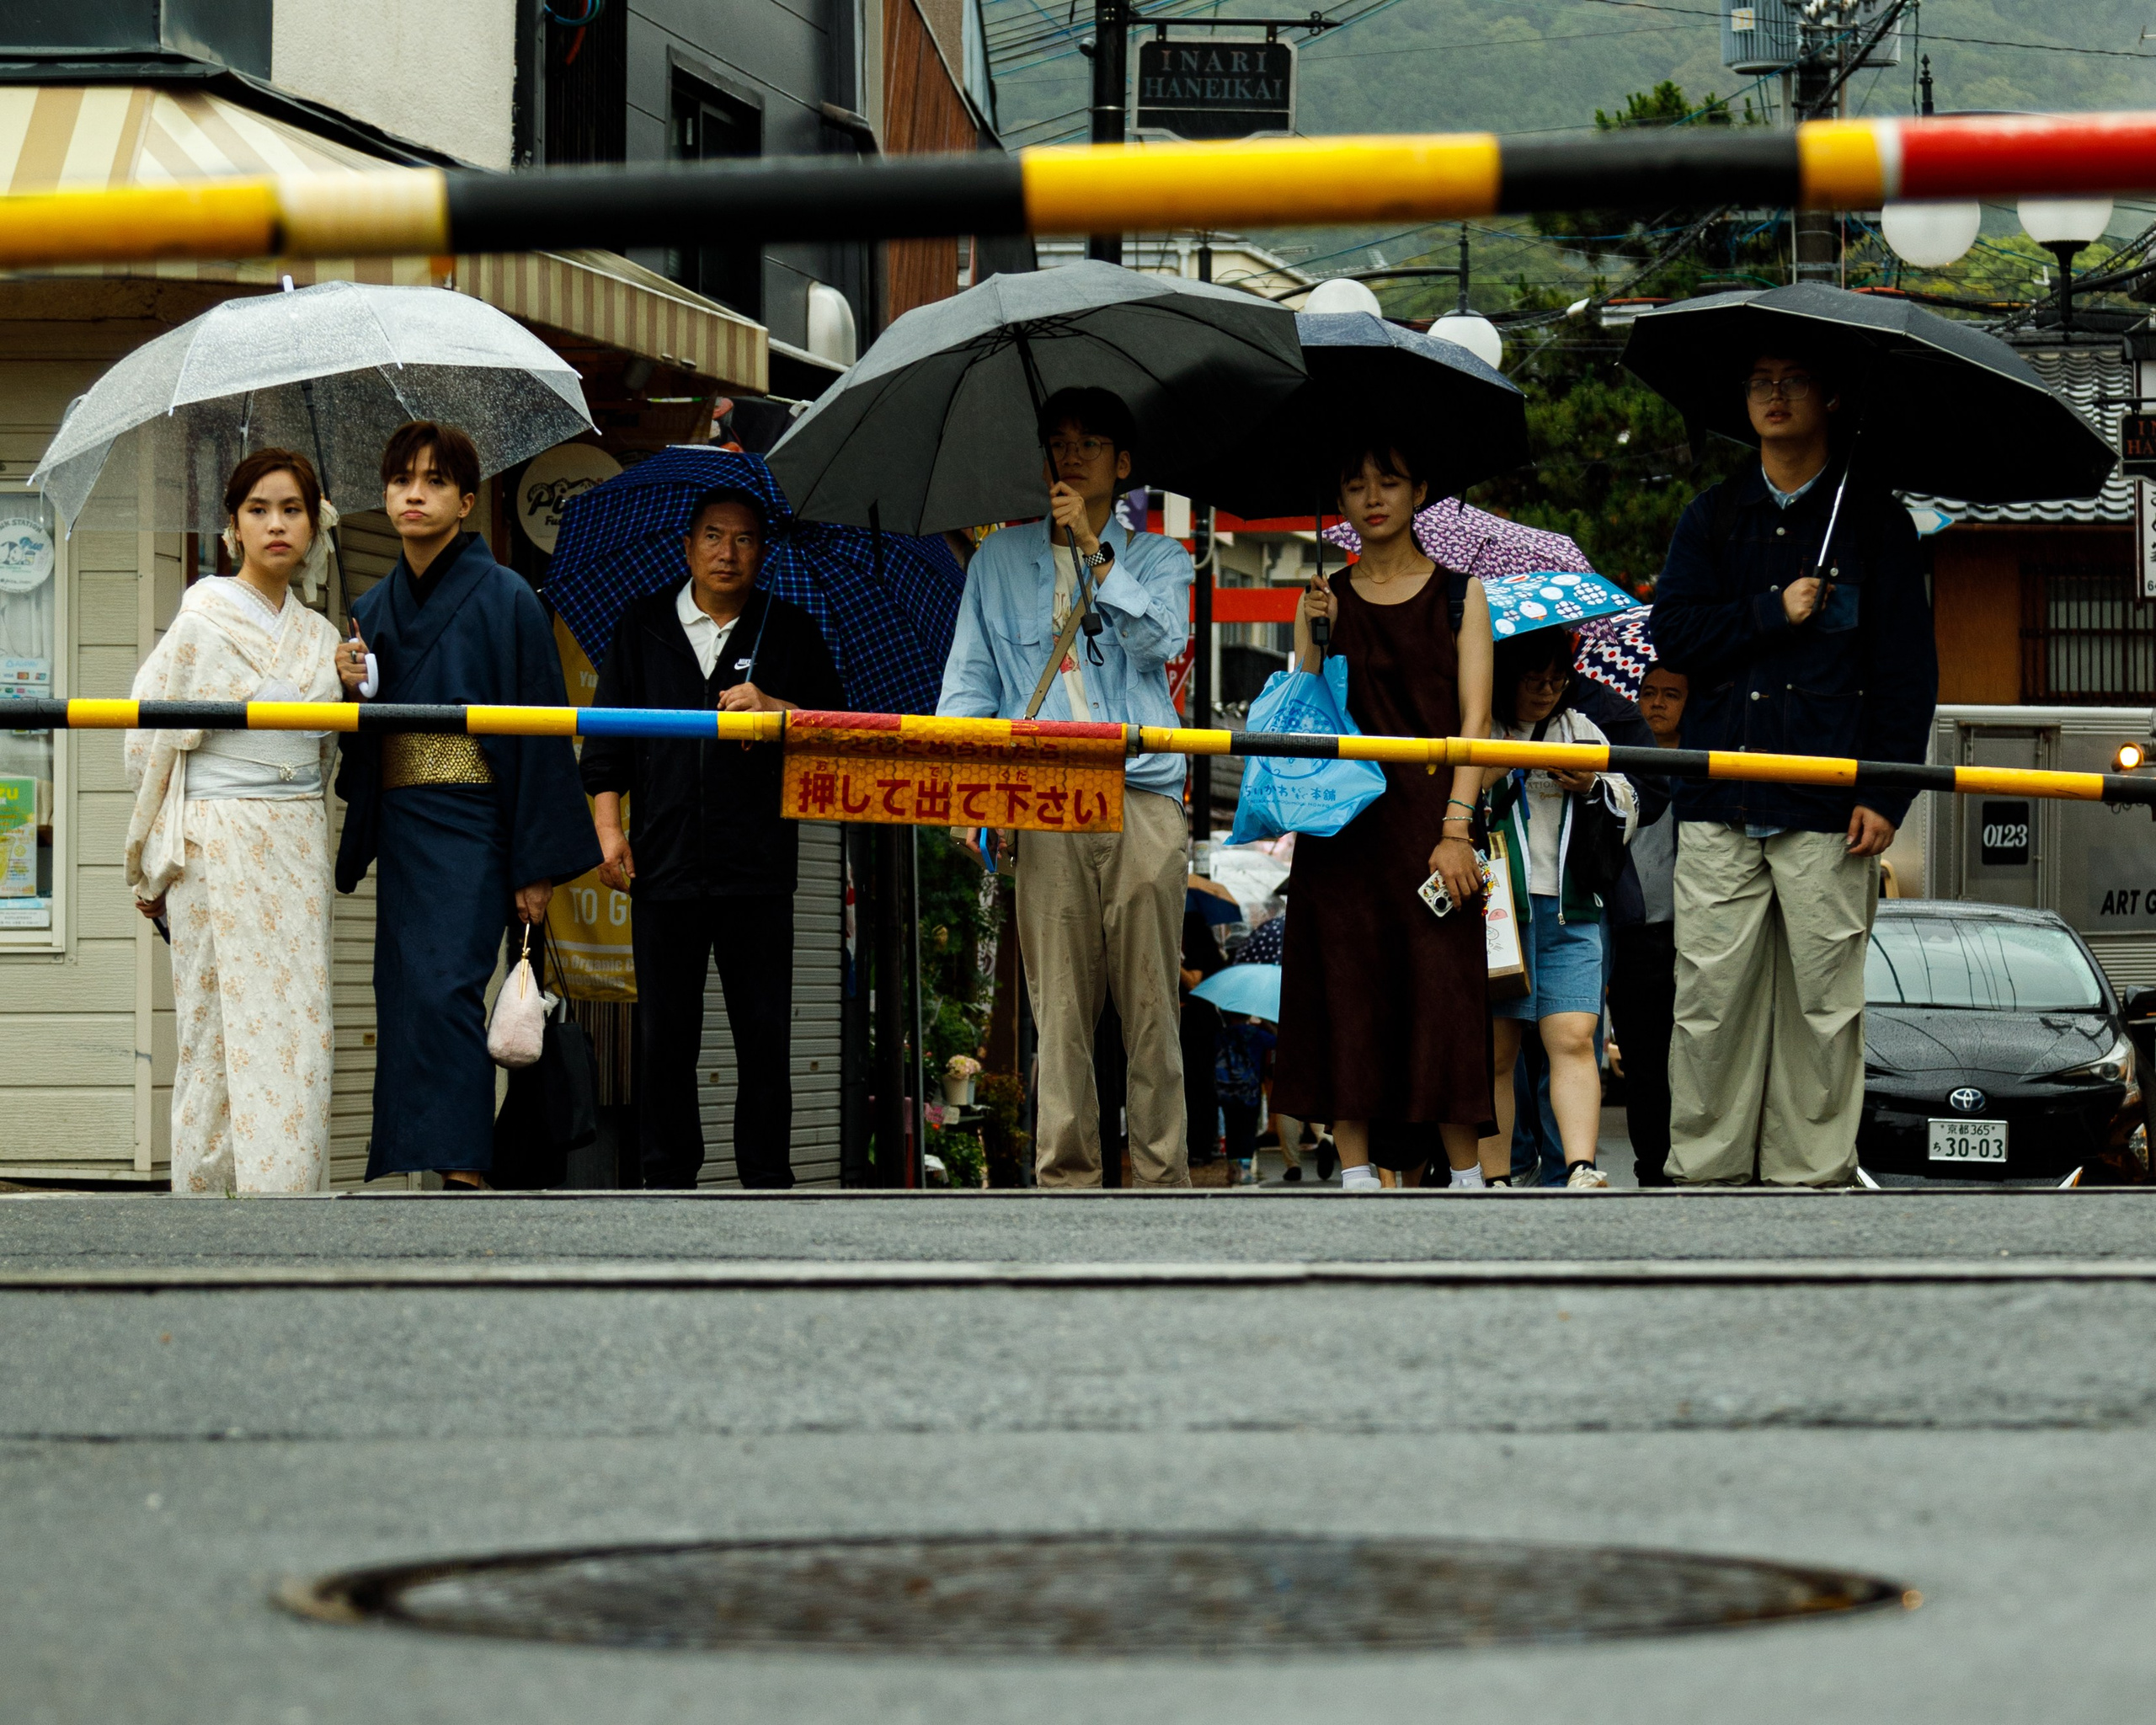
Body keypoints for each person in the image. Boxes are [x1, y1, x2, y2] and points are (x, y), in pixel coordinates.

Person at [1650, 352, 1936, 1187]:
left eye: (1793, 379)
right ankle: (1704, 1173)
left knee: (1823, 1007)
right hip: (1720, 795)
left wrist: (1885, 793)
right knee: (1708, 1003)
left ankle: (1809, 1178)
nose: (1773, 394)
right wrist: (1772, 610)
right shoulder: (1711, 517)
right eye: (1756, 380)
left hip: (1829, 806)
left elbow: (1907, 679)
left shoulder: (1877, 527)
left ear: (1832, 396)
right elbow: (1673, 635)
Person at [937, 387, 1194, 1188]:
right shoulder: (996, 561)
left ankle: (1161, 1179)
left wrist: (1093, 548)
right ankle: (1067, 1183)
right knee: (1060, 1014)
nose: (1071, 455)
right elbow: (969, 686)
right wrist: (965, 796)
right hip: (1045, 796)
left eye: (1090, 444)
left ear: (1122, 465)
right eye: (1058, 441)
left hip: (1142, 792)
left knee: (1153, 1007)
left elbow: (1162, 638)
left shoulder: (1161, 558)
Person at [334, 422, 600, 1188]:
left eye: (434, 482)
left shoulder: (509, 599)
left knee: (451, 986)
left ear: (465, 500)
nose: (414, 495)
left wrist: (534, 864)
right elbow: (363, 748)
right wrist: (346, 686)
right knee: (406, 991)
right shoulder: (372, 609)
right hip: (406, 819)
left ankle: (463, 1161)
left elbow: (541, 744)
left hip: (477, 822)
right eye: (400, 481)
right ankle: (422, 1154)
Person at [583, 486, 842, 1188]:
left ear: (764, 553)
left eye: (746, 540)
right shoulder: (641, 626)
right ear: (688, 545)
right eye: (714, 537)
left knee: (764, 1037)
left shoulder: (788, 631)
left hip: (757, 867)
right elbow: (603, 749)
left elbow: (839, 734)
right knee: (664, 1037)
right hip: (661, 865)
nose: (729, 553)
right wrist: (611, 835)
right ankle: (667, 1181)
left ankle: (766, 1179)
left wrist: (776, 707)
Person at [125, 450, 355, 1194]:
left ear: (313, 525)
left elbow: (324, 755)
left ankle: (286, 1197)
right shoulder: (202, 619)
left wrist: (350, 684)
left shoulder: (322, 637)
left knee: (299, 1020)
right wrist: (153, 850)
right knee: (214, 1026)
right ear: (233, 527)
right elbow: (147, 742)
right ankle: (208, 1200)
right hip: (216, 838)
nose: (276, 524)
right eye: (258, 509)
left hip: (293, 839)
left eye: (292, 509)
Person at [1273, 443, 1496, 1193]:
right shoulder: (1322, 594)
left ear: (1420, 490)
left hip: (1432, 831)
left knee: (1445, 995)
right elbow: (1298, 716)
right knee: (1344, 990)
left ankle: (1467, 1177)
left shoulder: (1463, 596)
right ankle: (1357, 1172)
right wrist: (1310, 632)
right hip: (1341, 835)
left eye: (1390, 481)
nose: (1372, 496)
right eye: (1355, 481)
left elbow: (1478, 724)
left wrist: (1457, 828)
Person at [1482, 629, 1636, 1190]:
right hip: (1499, 911)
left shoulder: (1579, 730)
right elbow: (1446, 799)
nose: (1547, 690)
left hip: (1573, 909)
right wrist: (1497, 770)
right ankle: (1495, 1174)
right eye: (1534, 679)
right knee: (1497, 1049)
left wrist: (1591, 782)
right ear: (1508, 676)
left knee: (1574, 1037)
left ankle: (1579, 1165)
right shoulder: (1481, 722)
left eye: (1557, 680)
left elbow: (1630, 803)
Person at [1604, 664, 1687, 1186]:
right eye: (1649, 693)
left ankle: (1692, 1162)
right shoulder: (1620, 760)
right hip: (1633, 936)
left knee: (1695, 1058)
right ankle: (1651, 1169)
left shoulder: (1705, 766)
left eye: (1671, 695)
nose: (1656, 703)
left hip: (1692, 934)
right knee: (1643, 1066)